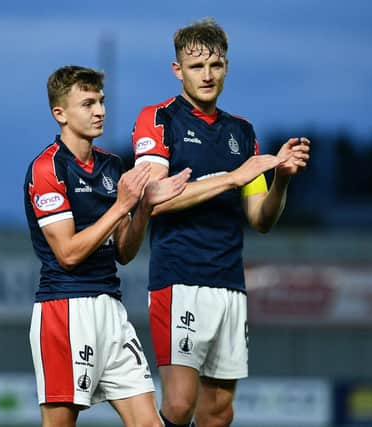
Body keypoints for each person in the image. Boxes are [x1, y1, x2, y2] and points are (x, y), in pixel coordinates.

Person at [131, 18, 311, 427]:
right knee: (178, 405)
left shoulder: (243, 133)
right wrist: (231, 178)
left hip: (229, 283)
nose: (207, 75)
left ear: (227, 66)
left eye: (215, 65)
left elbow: (259, 218)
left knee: (218, 413)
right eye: (196, 67)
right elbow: (153, 200)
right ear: (178, 70)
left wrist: (280, 179)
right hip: (179, 279)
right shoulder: (158, 120)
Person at [24, 65, 191, 427]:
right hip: (65, 310)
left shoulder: (113, 167)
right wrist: (120, 205)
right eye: (87, 103)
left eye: (101, 101)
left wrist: (143, 207)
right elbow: (67, 254)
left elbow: (124, 253)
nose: (100, 110)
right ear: (60, 114)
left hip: (110, 311)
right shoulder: (47, 169)